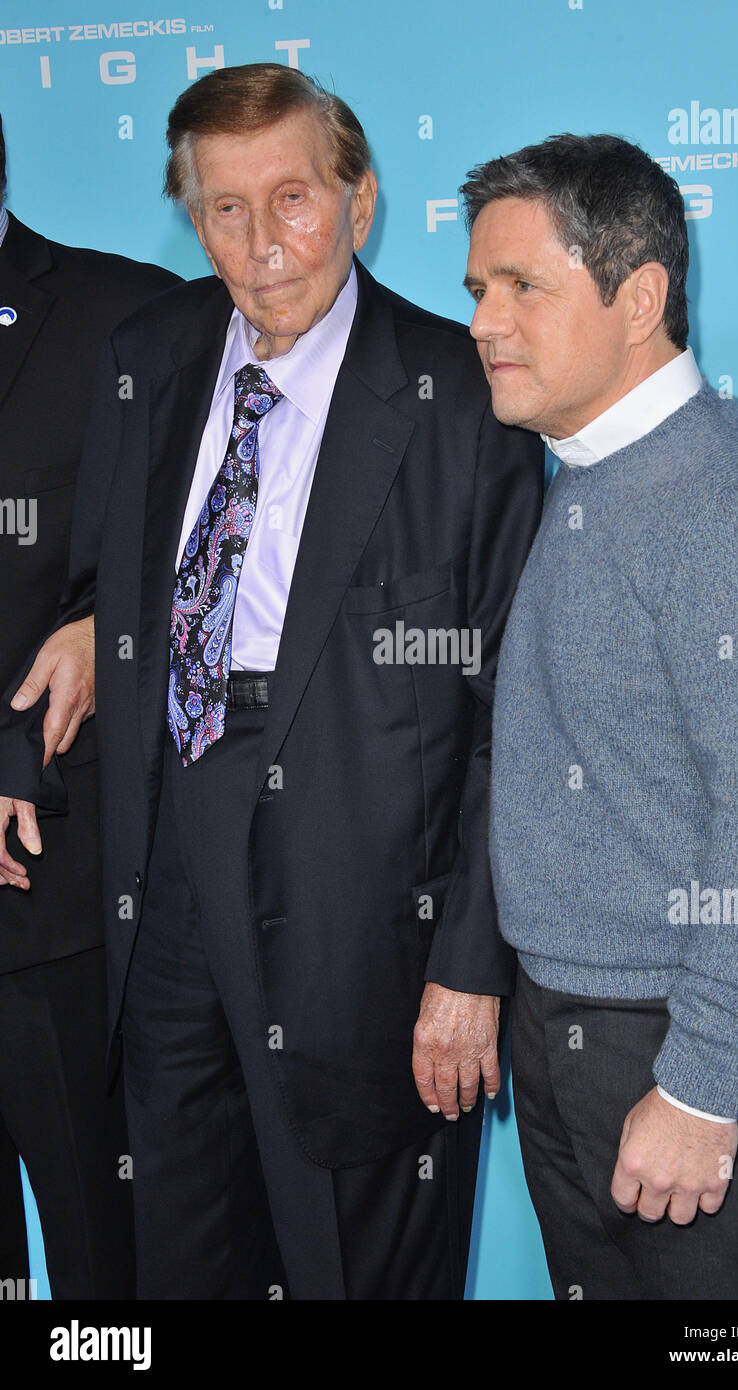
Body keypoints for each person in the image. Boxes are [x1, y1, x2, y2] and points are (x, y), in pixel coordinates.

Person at [0, 66, 543, 1299]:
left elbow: (516, 712)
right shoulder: (149, 355)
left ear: (358, 203)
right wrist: (33, 733)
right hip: (162, 879)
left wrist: (468, 966)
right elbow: (103, 601)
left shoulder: (461, 394)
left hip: (365, 916)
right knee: (178, 1261)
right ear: (192, 220)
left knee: (353, 1265)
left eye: (292, 198)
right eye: (224, 209)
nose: (262, 243)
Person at [461, 132, 738, 1301]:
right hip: (582, 1028)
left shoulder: (731, 504)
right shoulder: (583, 473)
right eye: (477, 288)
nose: (483, 321)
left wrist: (699, 1084)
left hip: (701, 1045)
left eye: (521, 286)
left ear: (639, 297)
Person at [0, 113, 179, 1297]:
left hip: (47, 898)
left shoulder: (135, 317)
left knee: (101, 1274)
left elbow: (219, 564)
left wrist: (103, 625)